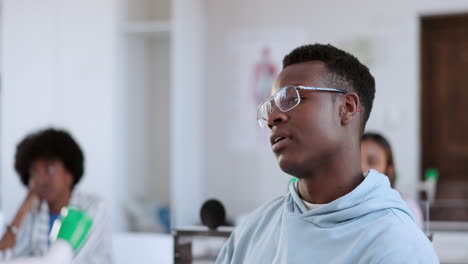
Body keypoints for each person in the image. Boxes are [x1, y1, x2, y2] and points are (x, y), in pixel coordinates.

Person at [216, 44, 438, 263]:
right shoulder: (251, 231)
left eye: (293, 98)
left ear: (347, 108)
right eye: (270, 106)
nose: (273, 117)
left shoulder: (396, 246)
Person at [0, 128, 113, 263]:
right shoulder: (35, 211)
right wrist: (26, 203)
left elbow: (59, 260)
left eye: (49, 169)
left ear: (70, 173)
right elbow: (4, 255)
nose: (41, 180)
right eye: (34, 173)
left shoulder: (91, 207)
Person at [361, 132, 424, 229]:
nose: (362, 168)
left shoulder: (405, 207)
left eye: (372, 162)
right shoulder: (340, 207)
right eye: (357, 161)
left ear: (389, 170)